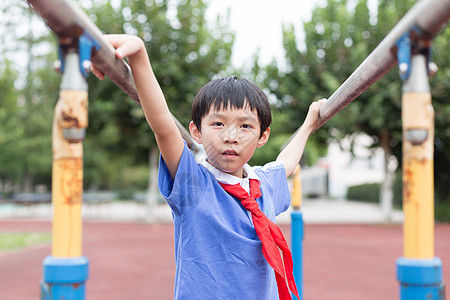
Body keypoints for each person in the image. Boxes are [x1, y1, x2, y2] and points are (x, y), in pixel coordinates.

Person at [93, 34, 326, 300]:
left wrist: (309, 125)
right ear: (196, 131)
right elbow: (162, 125)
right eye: (218, 124)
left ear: (263, 136)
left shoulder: (262, 184)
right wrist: (139, 57)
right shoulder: (193, 184)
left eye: (245, 126)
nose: (231, 136)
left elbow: (285, 162)